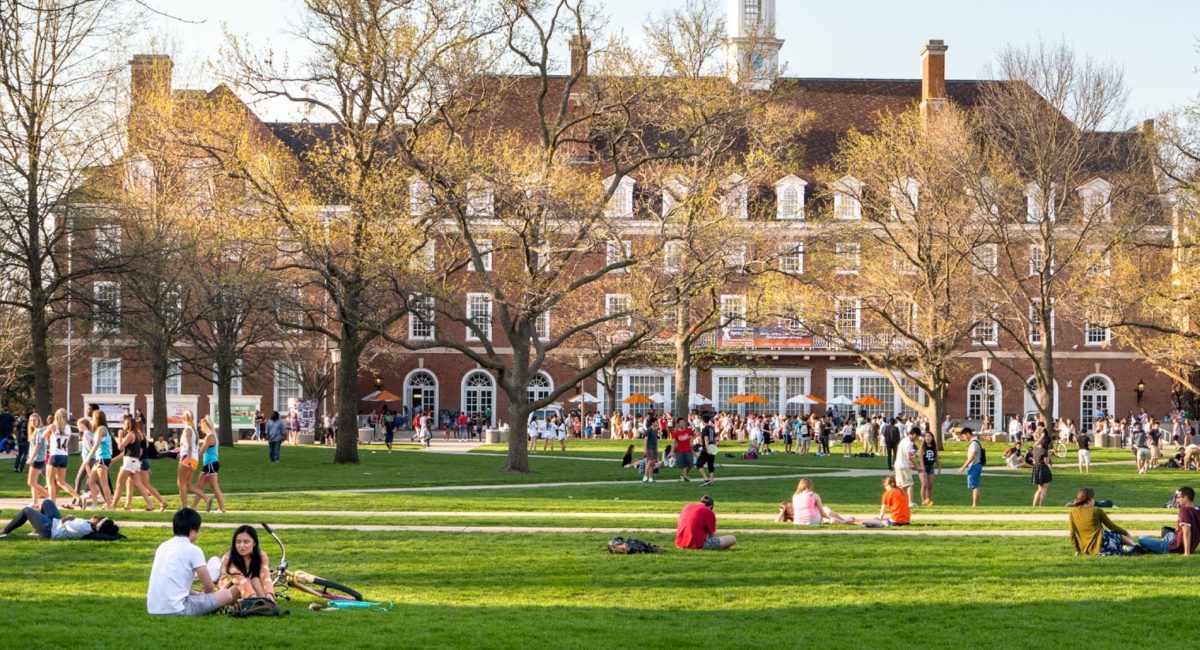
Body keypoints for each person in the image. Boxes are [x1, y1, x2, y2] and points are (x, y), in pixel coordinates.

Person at [147, 508, 239, 615]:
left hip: (153, 608)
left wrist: (196, 593)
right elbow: (209, 587)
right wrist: (211, 597)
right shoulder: (193, 550)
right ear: (192, 531)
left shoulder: (163, 546)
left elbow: (174, 583)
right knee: (226, 594)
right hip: (178, 609)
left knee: (199, 595)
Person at [0, 498, 120, 540]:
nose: (96, 516)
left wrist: (69, 516)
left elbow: (64, 522)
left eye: (98, 518)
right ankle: (36, 530)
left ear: (97, 524)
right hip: (55, 524)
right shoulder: (88, 525)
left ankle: (5, 531)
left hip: (50, 530)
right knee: (47, 502)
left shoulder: (83, 527)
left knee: (27, 510)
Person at [1068, 487, 1134, 556]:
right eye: (1093, 498)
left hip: (1086, 548)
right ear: (1090, 498)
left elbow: (1072, 534)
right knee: (1120, 536)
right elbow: (1111, 526)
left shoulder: (1072, 512)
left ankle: (1128, 546)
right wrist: (1126, 533)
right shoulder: (1096, 510)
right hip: (1101, 545)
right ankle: (1135, 546)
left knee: (1110, 534)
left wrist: (1078, 550)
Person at [217, 525, 275, 601]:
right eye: (238, 542)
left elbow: (266, 576)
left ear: (254, 543)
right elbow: (239, 579)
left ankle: (265, 602)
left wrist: (269, 594)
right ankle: (256, 603)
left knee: (255, 579)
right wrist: (252, 597)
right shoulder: (228, 557)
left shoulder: (261, 556)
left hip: (250, 586)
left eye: (246, 542)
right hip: (229, 591)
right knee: (247, 579)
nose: (241, 545)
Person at [1136, 487, 1200, 555]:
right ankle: (1156, 545)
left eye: (1178, 497)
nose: (1176, 500)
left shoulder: (1185, 510)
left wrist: (1187, 553)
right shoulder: (1198, 510)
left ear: (1186, 498)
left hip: (1173, 548)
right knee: (1169, 534)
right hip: (1186, 545)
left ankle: (1151, 547)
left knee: (1142, 538)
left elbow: (1187, 532)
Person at [775, 478, 855, 525]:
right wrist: (829, 518)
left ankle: (843, 520)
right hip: (812, 520)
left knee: (822, 510)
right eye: (789, 508)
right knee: (820, 507)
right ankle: (843, 521)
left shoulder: (795, 496)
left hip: (798, 522)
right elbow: (822, 513)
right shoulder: (814, 495)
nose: (791, 507)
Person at [44, 409, 80, 505]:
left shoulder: (52, 426)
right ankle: (78, 497)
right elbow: (67, 442)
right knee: (61, 481)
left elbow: (42, 436)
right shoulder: (68, 427)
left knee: (50, 481)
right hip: (64, 455)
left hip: (55, 454)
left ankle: (52, 502)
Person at [192, 416, 226, 513]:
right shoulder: (211, 436)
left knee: (214, 487)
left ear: (205, 426)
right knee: (200, 487)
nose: (201, 429)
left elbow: (201, 452)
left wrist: (191, 457)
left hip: (211, 464)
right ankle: (193, 506)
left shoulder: (209, 437)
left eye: (201, 427)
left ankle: (222, 508)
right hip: (207, 464)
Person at [176, 412, 207, 509]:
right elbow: (191, 447)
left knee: (181, 483)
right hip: (194, 459)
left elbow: (189, 447)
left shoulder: (187, 430)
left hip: (187, 458)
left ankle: (184, 507)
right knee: (188, 484)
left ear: (183, 418)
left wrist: (188, 460)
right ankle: (206, 498)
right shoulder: (194, 430)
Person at [957, 427, 983, 507]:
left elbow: (972, 456)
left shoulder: (974, 443)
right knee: (974, 485)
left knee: (975, 486)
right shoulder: (975, 442)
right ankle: (975, 504)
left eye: (964, 436)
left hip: (974, 465)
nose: (963, 438)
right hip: (977, 465)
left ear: (968, 434)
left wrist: (963, 467)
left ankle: (974, 504)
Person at [893, 428, 917, 505]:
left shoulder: (904, 440)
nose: (917, 439)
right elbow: (908, 457)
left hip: (898, 465)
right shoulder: (908, 442)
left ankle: (898, 502)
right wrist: (916, 465)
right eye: (917, 437)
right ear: (915, 435)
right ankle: (910, 502)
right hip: (903, 465)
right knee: (910, 484)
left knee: (900, 485)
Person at [1030, 433, 1053, 507]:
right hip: (1043, 469)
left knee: (1039, 489)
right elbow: (1046, 462)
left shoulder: (1035, 448)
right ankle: (1041, 505)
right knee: (1044, 489)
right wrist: (1049, 455)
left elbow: (1036, 443)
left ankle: (1034, 505)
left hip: (1036, 468)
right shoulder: (1044, 451)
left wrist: (1042, 436)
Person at [918, 431, 940, 507]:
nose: (927, 438)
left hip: (931, 467)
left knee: (930, 486)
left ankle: (928, 501)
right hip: (923, 467)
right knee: (924, 485)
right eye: (926, 436)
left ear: (932, 438)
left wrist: (939, 467)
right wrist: (923, 469)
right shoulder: (922, 447)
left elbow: (936, 457)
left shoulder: (934, 446)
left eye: (929, 436)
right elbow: (920, 458)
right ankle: (923, 501)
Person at [670, 417, 696, 482]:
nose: (683, 424)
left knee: (690, 464)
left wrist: (691, 440)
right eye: (681, 423)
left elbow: (694, 435)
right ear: (678, 424)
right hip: (680, 451)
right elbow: (673, 443)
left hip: (688, 450)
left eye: (684, 422)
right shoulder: (676, 433)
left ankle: (684, 474)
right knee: (683, 465)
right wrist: (672, 452)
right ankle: (685, 477)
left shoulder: (689, 430)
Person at [696, 414, 718, 487]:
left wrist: (707, 449)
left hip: (707, 449)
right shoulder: (712, 428)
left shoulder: (705, 429)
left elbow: (706, 439)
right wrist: (714, 447)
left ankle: (706, 478)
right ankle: (711, 481)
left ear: (703, 421)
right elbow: (715, 439)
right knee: (710, 465)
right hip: (713, 448)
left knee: (699, 464)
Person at [640, 415, 659, 483]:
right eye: (656, 422)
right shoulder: (649, 430)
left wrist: (656, 450)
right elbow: (645, 440)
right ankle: (645, 477)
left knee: (652, 464)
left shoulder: (656, 430)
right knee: (649, 462)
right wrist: (645, 450)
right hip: (649, 449)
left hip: (654, 449)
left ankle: (650, 478)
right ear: (652, 423)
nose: (657, 423)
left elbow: (656, 441)